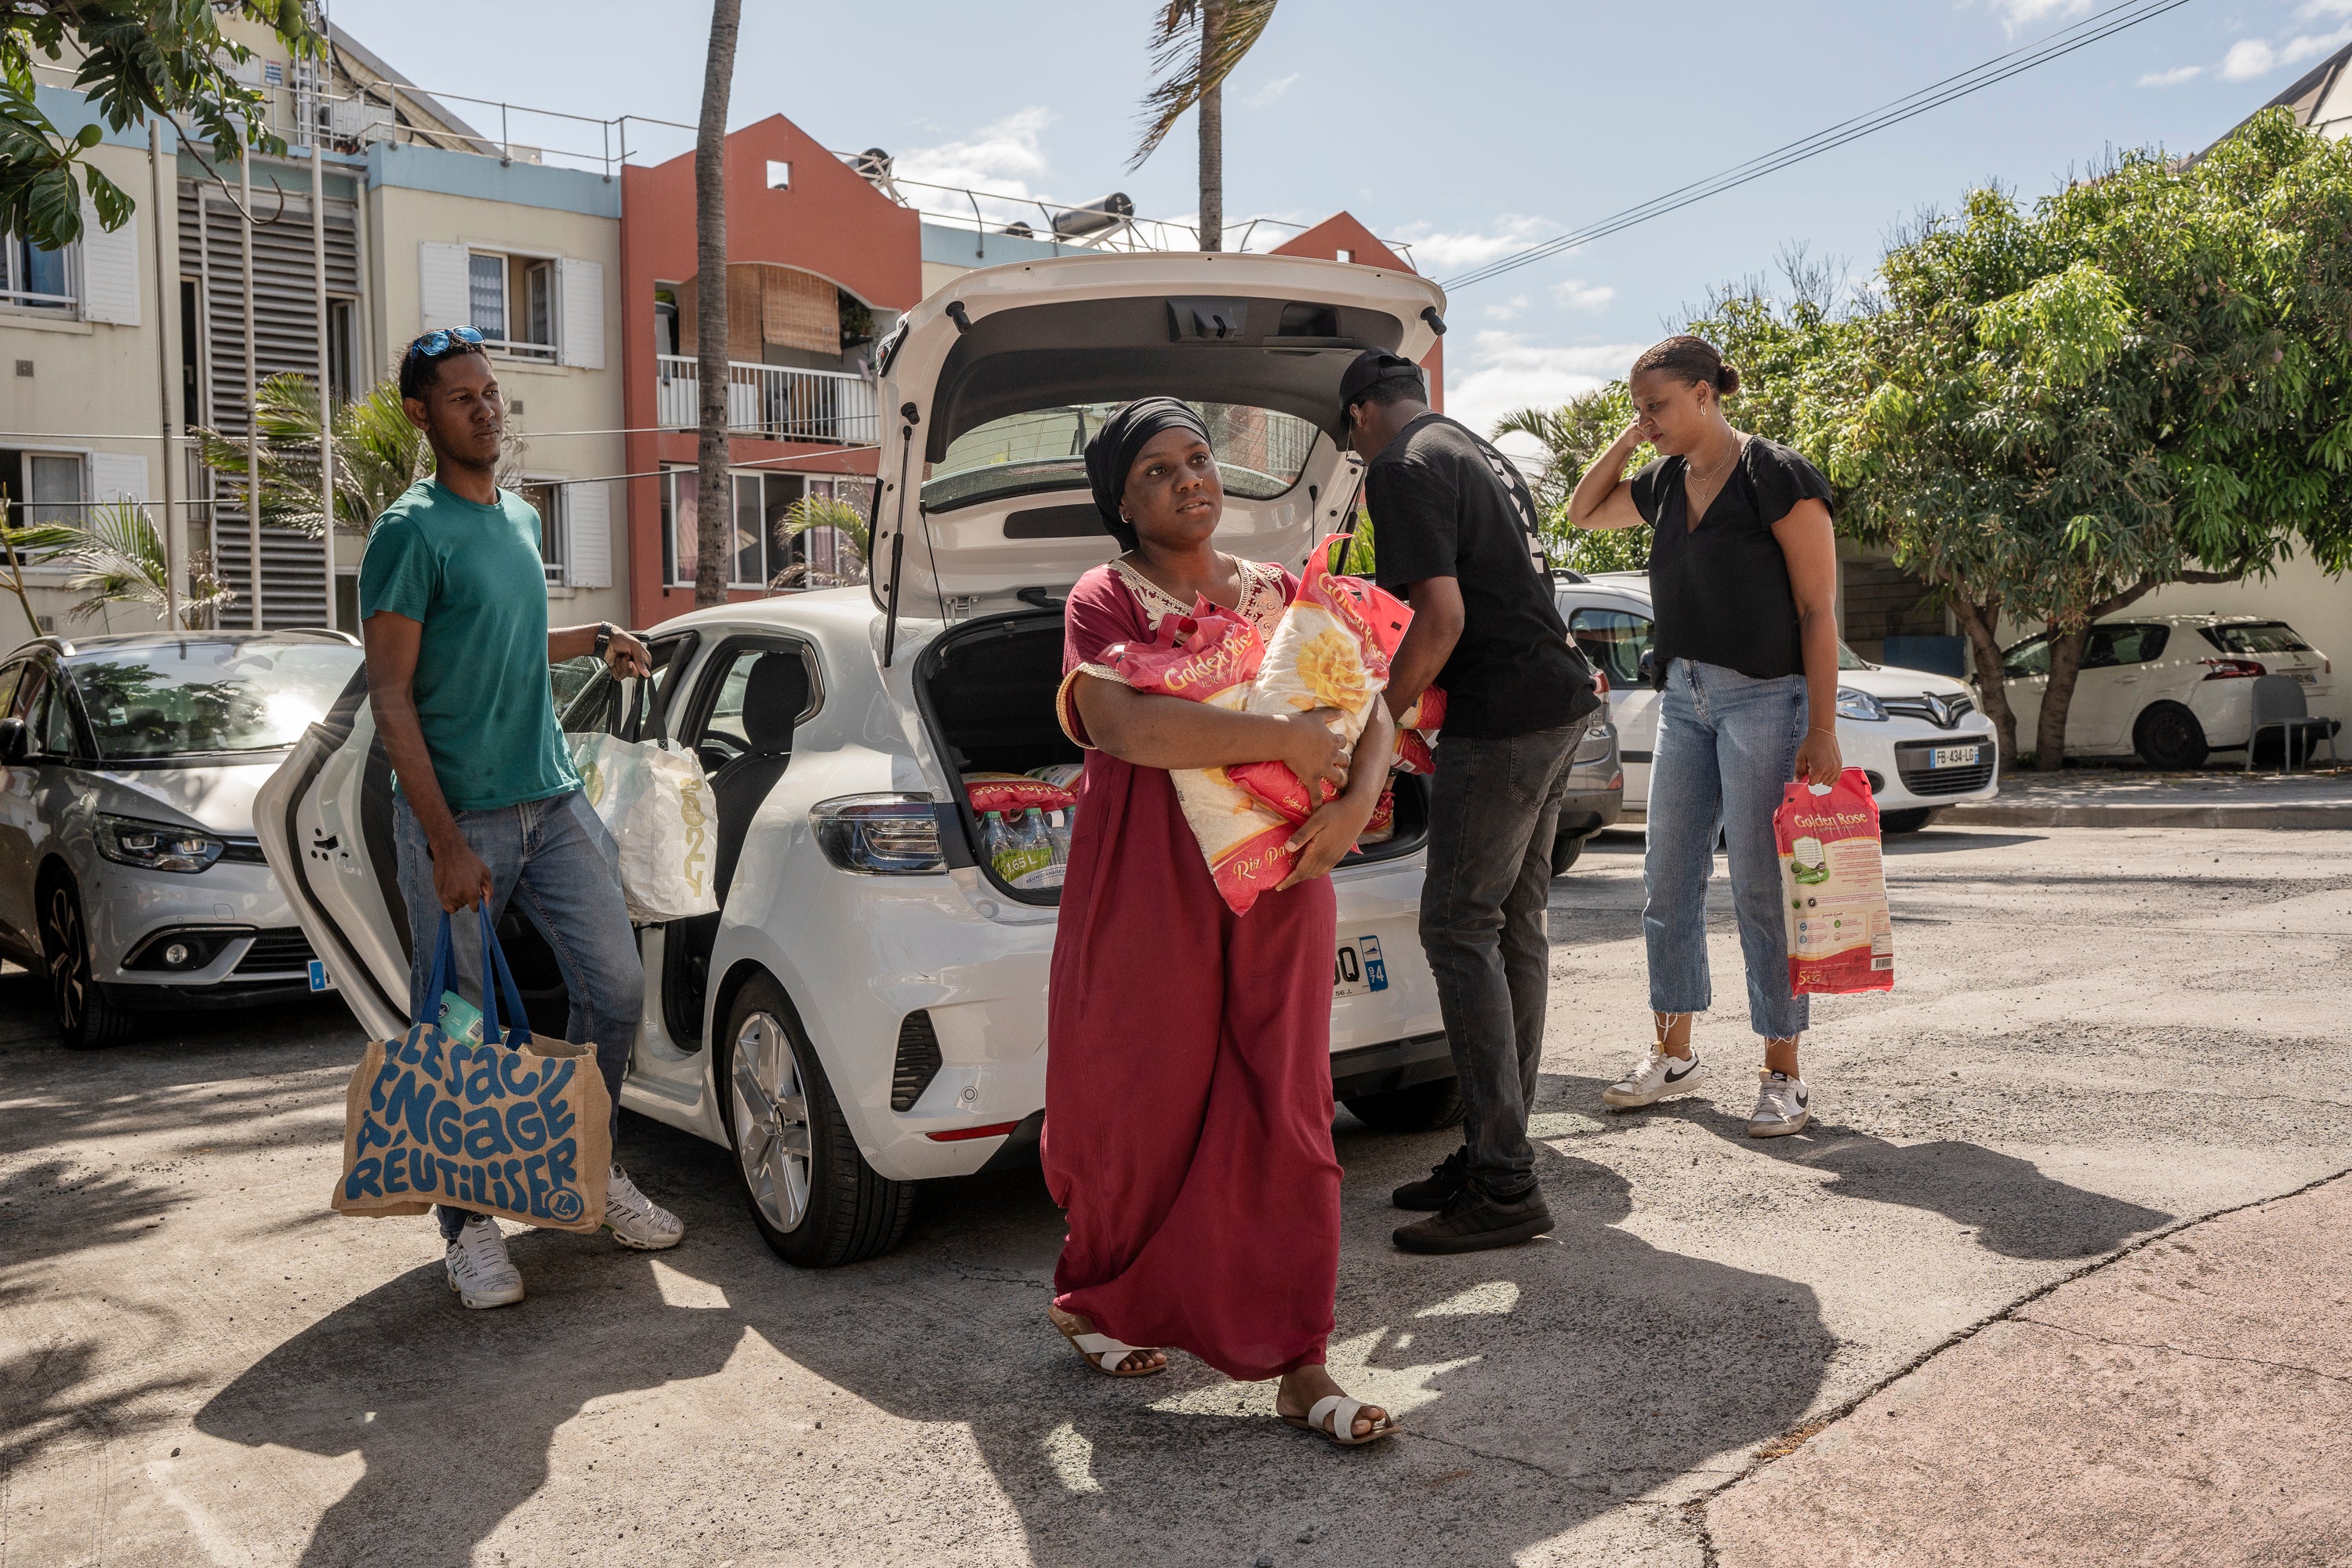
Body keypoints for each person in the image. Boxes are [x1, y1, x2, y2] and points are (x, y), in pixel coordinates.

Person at [1044, 397, 1400, 1446]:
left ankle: (1301, 1358)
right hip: (1148, 868)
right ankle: (1096, 1294)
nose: (1188, 480)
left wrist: (1342, 806)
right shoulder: (1103, 595)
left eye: (1197, 459)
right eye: (1156, 471)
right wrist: (1285, 742)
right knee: (1140, 1090)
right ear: (1121, 500)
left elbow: (1369, 701)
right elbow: (1119, 722)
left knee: (1287, 1095)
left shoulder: (1281, 589)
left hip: (1285, 867)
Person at [360, 325, 684, 1311]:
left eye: (492, 392)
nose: (487, 409)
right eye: (463, 398)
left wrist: (597, 638)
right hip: (459, 821)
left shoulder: (519, 519)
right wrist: (446, 840)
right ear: (423, 415)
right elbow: (392, 696)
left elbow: (505, 640)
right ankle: (468, 1226)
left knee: (617, 989)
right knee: (460, 1026)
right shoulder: (407, 534)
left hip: (553, 801)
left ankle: (585, 1170)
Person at [1341, 350, 1602, 1255]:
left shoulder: (1399, 464)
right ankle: (1494, 1149)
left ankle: (1504, 1181)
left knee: (1458, 927)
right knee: (1511, 924)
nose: (1353, 444)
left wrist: (1377, 721)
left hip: (1504, 716)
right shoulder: (1471, 448)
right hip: (1561, 699)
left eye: (1348, 430)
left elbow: (1441, 621)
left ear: (1365, 410)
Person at [1566, 335, 1842, 1138]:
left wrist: (1822, 726)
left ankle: (1783, 1073)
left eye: (1656, 406)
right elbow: (1583, 509)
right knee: (1667, 882)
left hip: (1766, 699)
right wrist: (1629, 437)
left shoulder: (1775, 476)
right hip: (1683, 698)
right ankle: (1674, 1054)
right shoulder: (1660, 482)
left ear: (1703, 394)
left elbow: (1820, 609)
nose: (1645, 421)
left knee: (1761, 890)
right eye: (1637, 408)